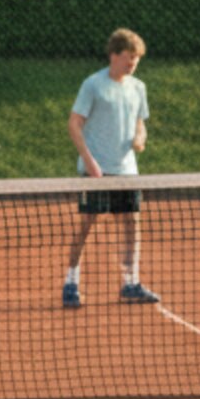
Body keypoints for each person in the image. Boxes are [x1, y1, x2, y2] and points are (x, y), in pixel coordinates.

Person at [64, 28, 156, 308]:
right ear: (114, 55)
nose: (132, 64)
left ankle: (131, 282)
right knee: (88, 223)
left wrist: (140, 137)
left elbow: (140, 123)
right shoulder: (93, 85)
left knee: (131, 222)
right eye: (128, 58)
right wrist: (90, 163)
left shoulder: (138, 87)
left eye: (136, 59)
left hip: (127, 171)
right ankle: (71, 282)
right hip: (96, 171)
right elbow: (74, 124)